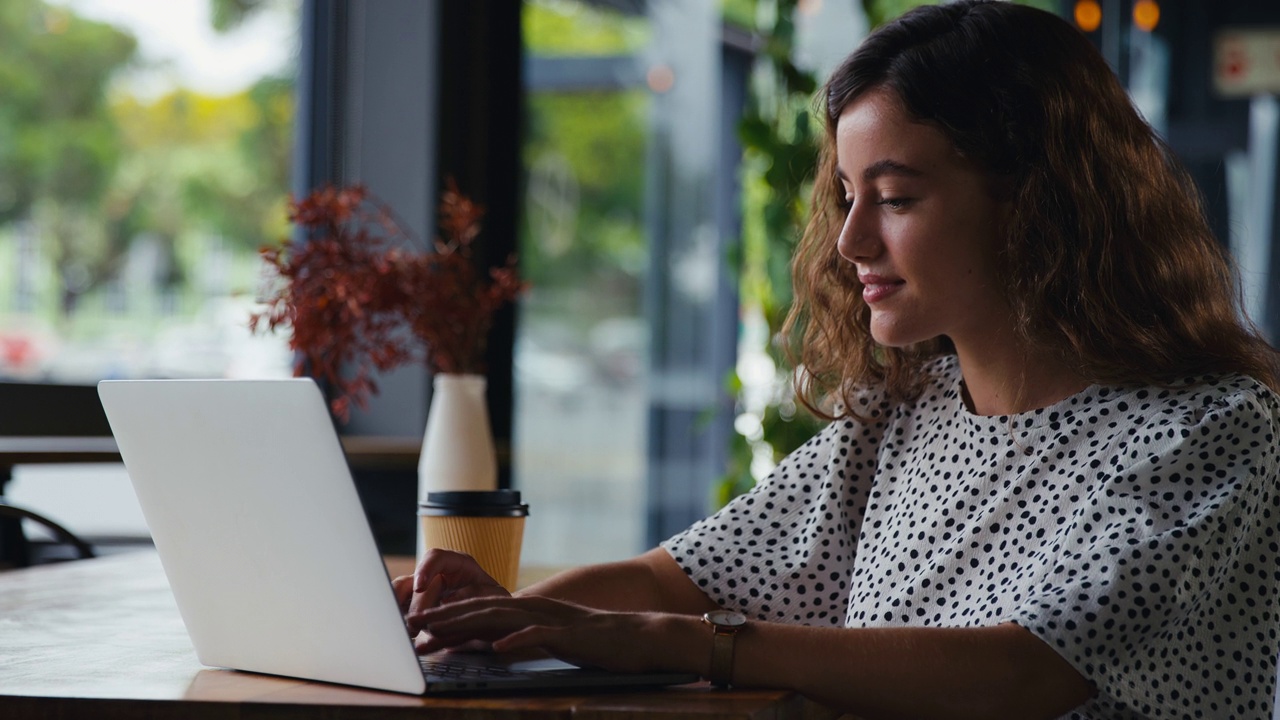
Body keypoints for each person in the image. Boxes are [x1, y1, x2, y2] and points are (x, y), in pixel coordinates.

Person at [393, 2, 1280, 718]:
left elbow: (1024, 673)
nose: (852, 239)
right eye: (850, 195)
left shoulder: (1211, 429)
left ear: (1039, 204)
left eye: (895, 197)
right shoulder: (905, 412)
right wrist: (488, 623)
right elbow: (677, 578)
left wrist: (669, 639)